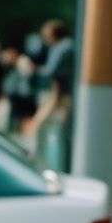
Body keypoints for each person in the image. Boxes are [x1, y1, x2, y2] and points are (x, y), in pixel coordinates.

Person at [25, 18, 75, 168]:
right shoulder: (66, 46)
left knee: (41, 127)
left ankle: (37, 162)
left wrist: (33, 69)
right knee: (53, 129)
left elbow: (51, 71)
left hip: (60, 93)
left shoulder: (62, 47)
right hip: (60, 92)